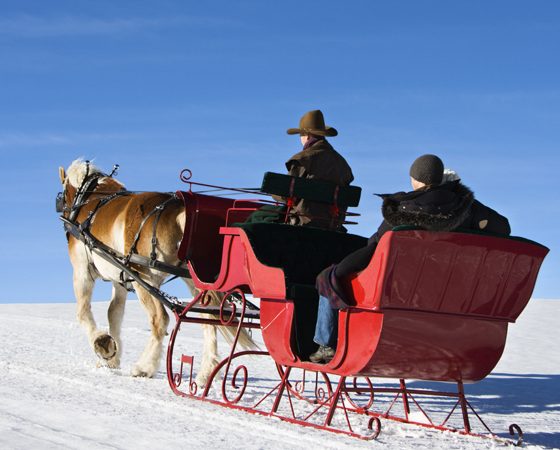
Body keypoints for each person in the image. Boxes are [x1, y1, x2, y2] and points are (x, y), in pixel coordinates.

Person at [309, 154, 511, 363]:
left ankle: (326, 344)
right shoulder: (465, 207)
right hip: (452, 294)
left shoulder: (403, 209)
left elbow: (376, 245)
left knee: (328, 277)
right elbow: (503, 226)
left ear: (415, 179)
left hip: (400, 290)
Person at [282, 109, 354, 229]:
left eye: (300, 134)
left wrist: (274, 193)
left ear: (307, 136)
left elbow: (285, 192)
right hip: (333, 224)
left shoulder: (302, 159)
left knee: (259, 215)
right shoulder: (343, 164)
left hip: (303, 220)